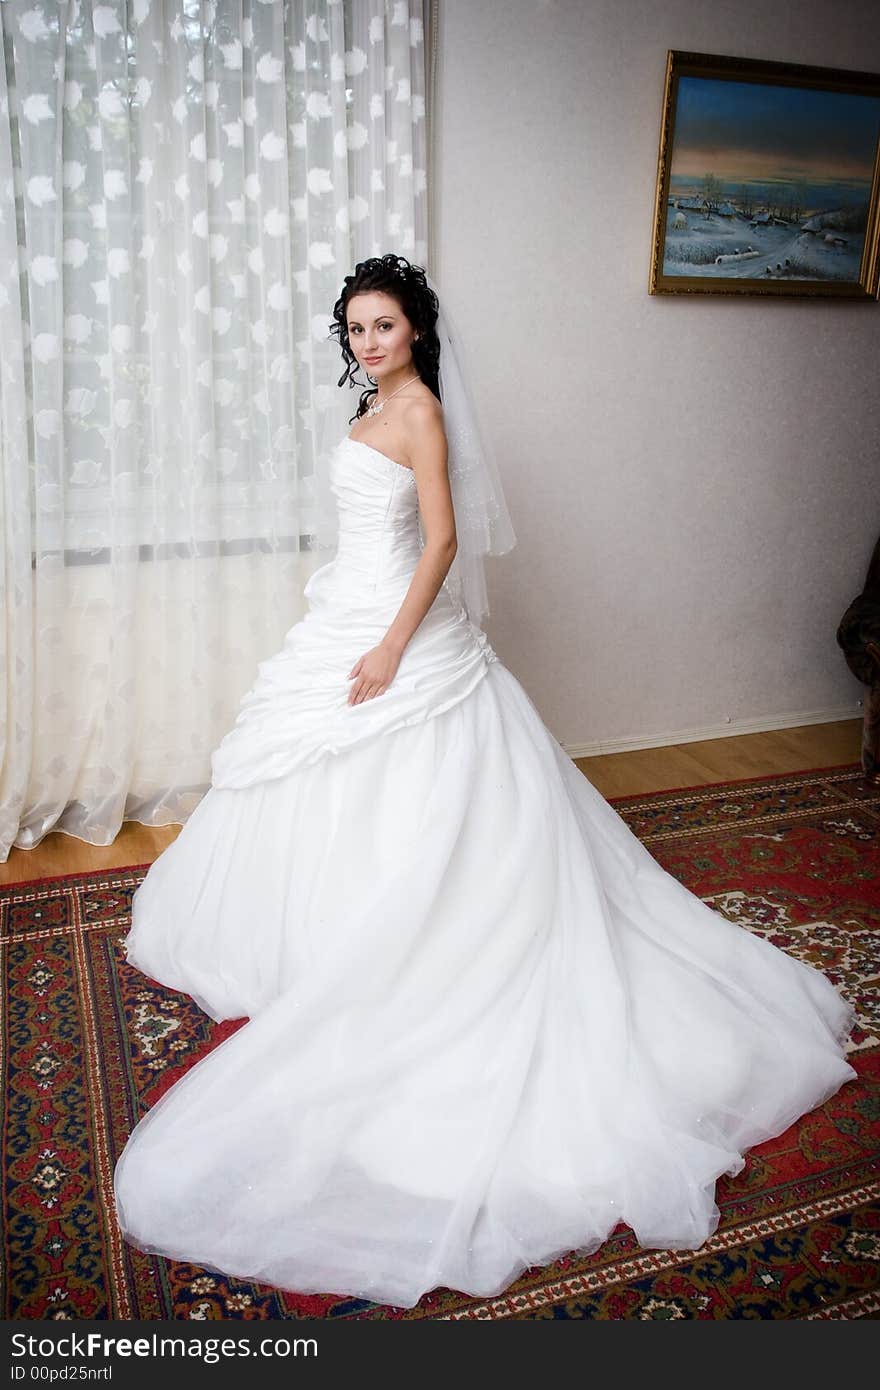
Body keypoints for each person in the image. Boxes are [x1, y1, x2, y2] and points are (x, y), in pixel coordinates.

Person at [114, 255, 856, 1311]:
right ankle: (323, 929)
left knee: (424, 794)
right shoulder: (377, 402)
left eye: (384, 325)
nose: (369, 342)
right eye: (355, 328)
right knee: (312, 781)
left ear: (416, 328)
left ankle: (412, 935)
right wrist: (349, 625)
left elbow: (445, 538)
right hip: (350, 614)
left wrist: (386, 647)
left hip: (398, 633)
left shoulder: (417, 412)